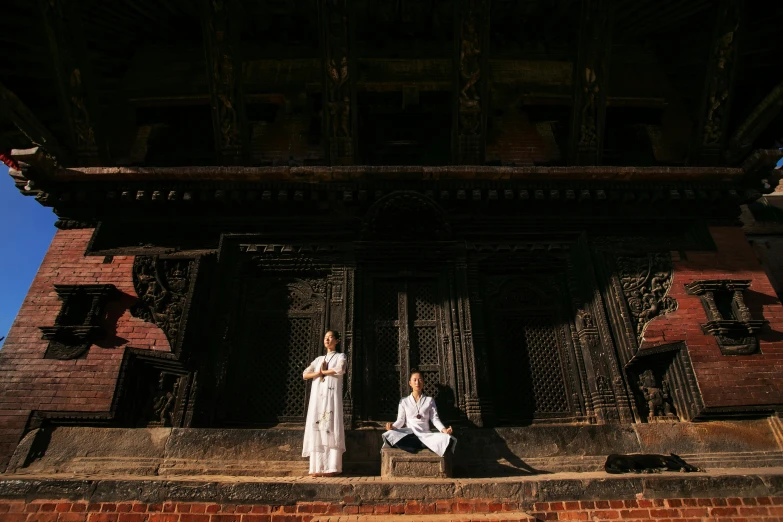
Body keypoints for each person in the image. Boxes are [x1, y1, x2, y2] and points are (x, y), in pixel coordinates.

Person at [302, 330, 347, 477]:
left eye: (330, 337)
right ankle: (317, 467)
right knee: (317, 427)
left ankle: (332, 467)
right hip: (318, 398)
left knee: (330, 426)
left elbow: (341, 369)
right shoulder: (318, 359)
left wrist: (325, 372)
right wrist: (319, 373)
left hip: (331, 395)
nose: (327, 340)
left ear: (337, 341)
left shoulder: (340, 356)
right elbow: (305, 374)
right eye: (325, 337)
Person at [381, 371, 456, 457]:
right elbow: (400, 420)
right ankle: (422, 445)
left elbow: (435, 419)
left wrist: (444, 430)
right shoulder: (404, 401)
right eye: (415, 380)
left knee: (447, 439)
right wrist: (392, 427)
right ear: (410, 383)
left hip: (426, 435)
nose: (417, 383)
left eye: (420, 380)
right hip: (410, 435)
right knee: (389, 435)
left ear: (423, 382)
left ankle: (419, 445)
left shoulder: (429, 400)